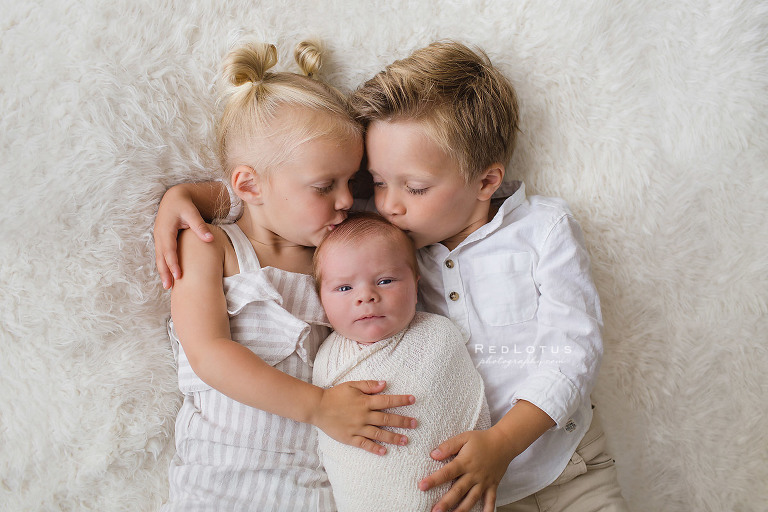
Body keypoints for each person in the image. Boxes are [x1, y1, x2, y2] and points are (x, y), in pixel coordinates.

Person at [154, 40, 629, 512]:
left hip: (556, 459)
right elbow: (280, 197)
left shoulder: (527, 230)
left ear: (486, 181)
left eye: (411, 186)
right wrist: (186, 197)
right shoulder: (361, 239)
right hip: (450, 485)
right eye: (374, 183)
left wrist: (501, 444)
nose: (379, 202)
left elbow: (573, 350)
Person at [161, 38, 417, 511]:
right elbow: (209, 354)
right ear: (250, 185)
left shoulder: (335, 255)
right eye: (325, 186)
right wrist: (317, 407)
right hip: (220, 482)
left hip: (314, 485)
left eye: (352, 182)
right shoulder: (212, 248)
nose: (345, 200)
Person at [311, 212, 491, 512]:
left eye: (385, 281)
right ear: (320, 298)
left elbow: (470, 408)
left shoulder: (439, 336)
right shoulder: (325, 358)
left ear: (415, 285)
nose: (366, 296)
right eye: (344, 288)